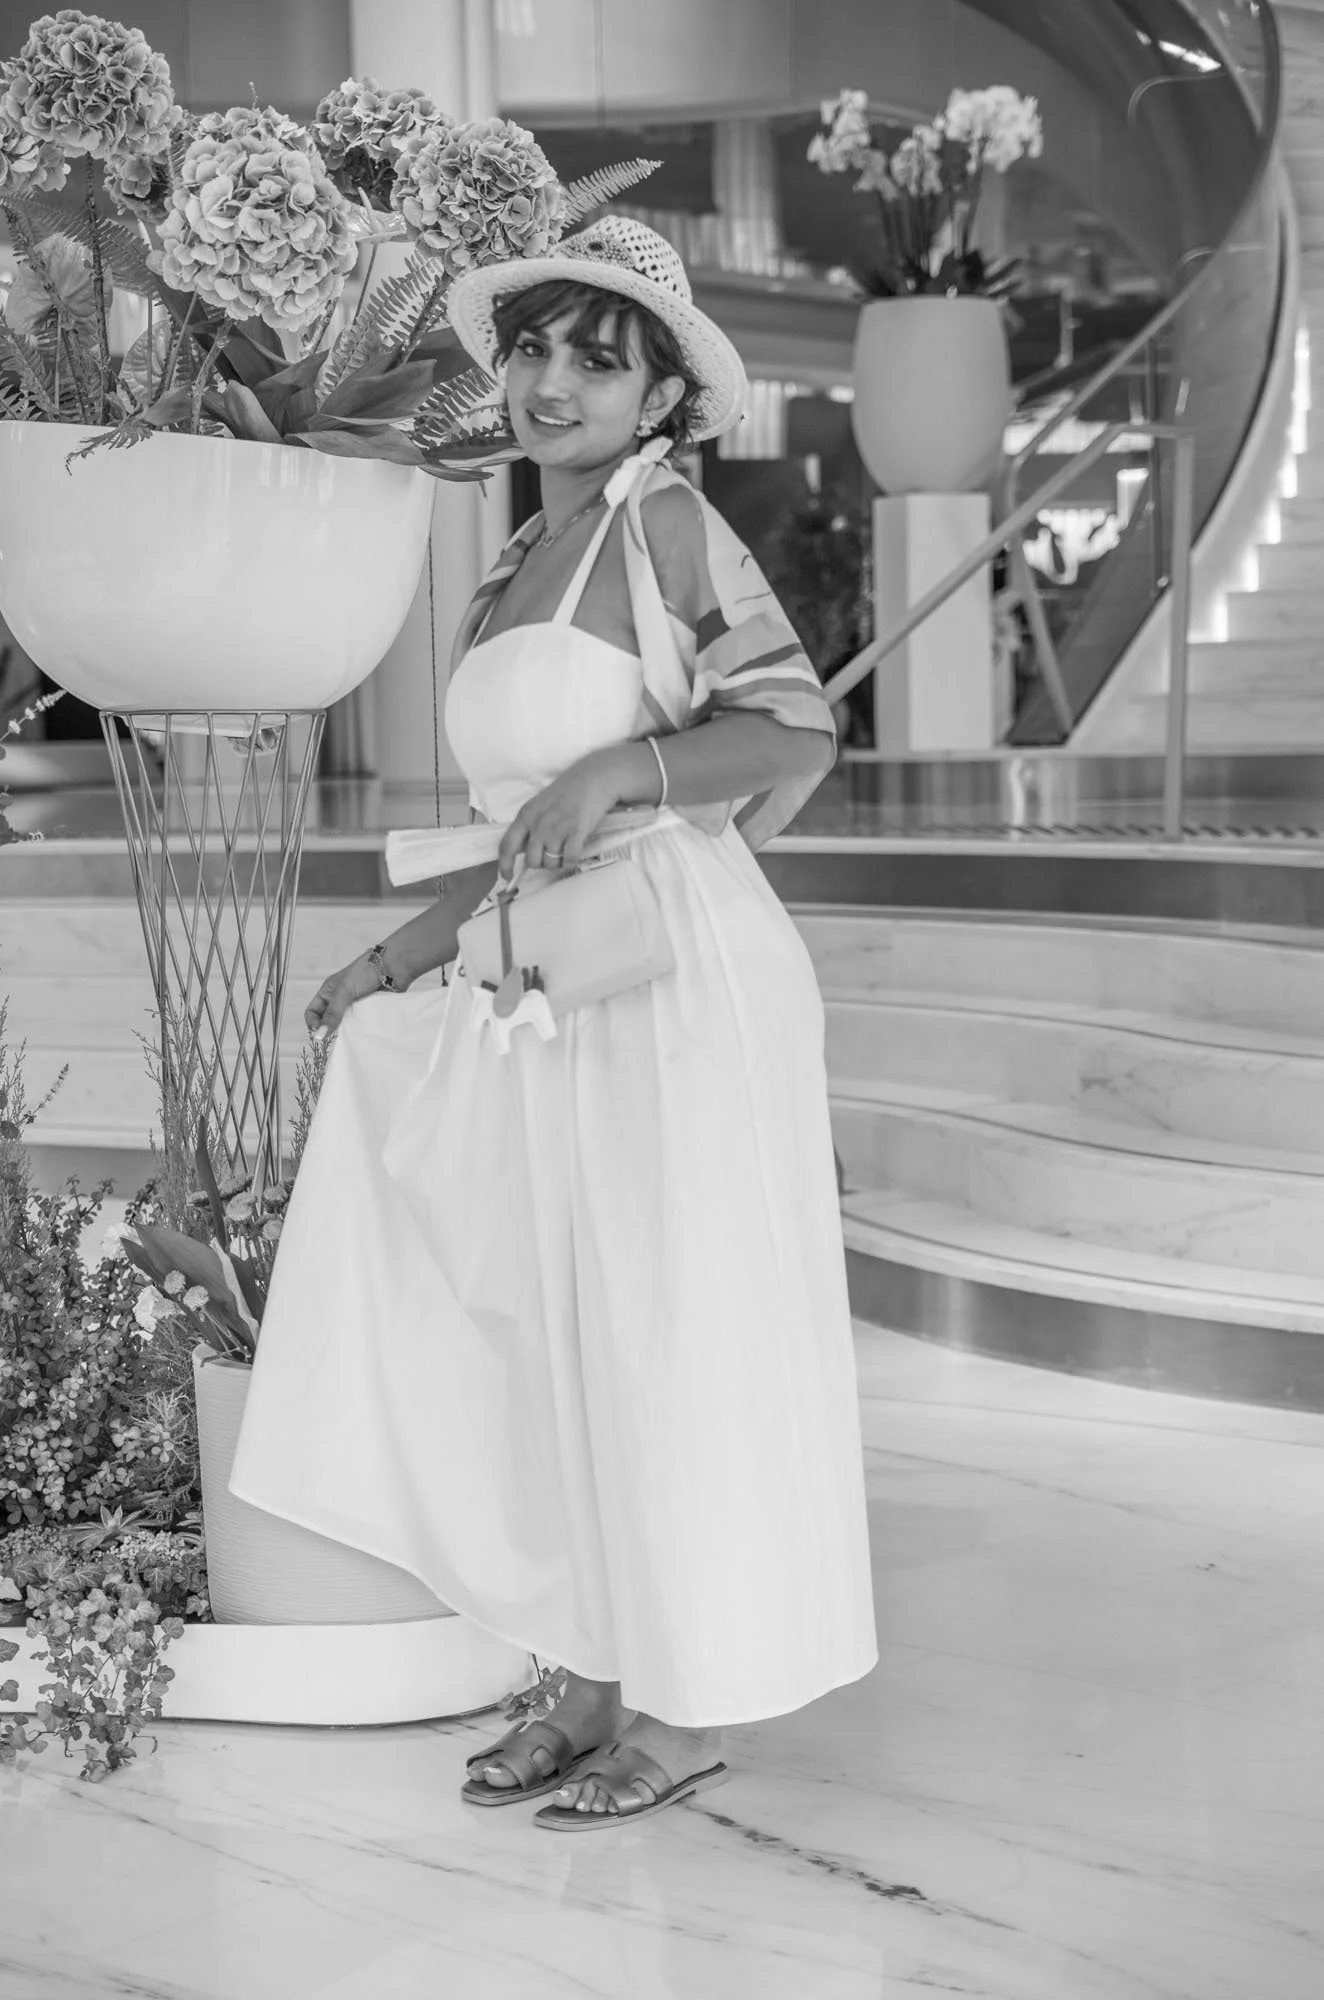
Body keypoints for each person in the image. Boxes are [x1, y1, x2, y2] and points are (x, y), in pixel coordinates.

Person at [229, 216, 878, 1832]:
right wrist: (397, 958)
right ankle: (587, 1677)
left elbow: (796, 729)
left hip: (673, 981)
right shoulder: (515, 561)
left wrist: (623, 771)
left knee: (667, 1324)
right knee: (560, 1333)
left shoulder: (667, 523)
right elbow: (514, 824)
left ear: (661, 396)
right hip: (548, 977)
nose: (550, 382)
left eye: (598, 357)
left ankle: (682, 1704)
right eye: (531, 349)